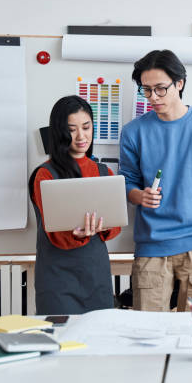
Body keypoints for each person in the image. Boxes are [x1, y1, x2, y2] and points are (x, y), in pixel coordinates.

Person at [120, 50, 192, 312]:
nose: (153, 98)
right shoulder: (133, 132)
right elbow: (126, 182)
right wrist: (138, 195)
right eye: (146, 90)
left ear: (179, 83)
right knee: (148, 336)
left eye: (160, 89)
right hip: (151, 248)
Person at [28, 95, 121, 314]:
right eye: (72, 129)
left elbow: (115, 222)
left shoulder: (103, 172)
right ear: (59, 132)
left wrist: (104, 226)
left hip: (96, 275)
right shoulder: (45, 174)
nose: (81, 136)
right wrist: (78, 234)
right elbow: (55, 233)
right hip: (57, 279)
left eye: (86, 127)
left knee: (97, 341)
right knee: (60, 342)